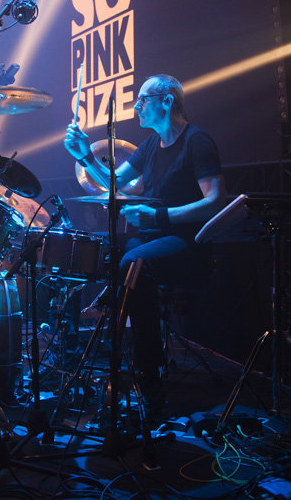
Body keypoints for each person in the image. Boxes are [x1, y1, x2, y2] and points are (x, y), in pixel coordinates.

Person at [64, 74, 226, 415]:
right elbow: (113, 182)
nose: (136, 106)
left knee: (133, 263)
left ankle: (148, 374)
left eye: (143, 99)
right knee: (107, 255)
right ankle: (100, 347)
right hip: (157, 236)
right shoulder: (151, 145)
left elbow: (215, 201)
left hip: (189, 242)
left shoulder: (196, 141)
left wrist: (158, 216)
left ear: (167, 101)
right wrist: (85, 156)